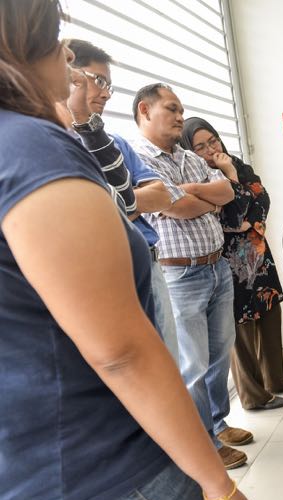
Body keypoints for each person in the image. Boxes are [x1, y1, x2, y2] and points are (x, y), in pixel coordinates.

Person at [0, 1, 255, 500]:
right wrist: (218, 484)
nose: (67, 53)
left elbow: (204, 193)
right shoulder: (32, 150)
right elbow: (120, 352)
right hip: (98, 468)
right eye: (56, 37)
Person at [131, 83, 252, 469]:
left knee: (219, 354)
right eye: (172, 109)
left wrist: (190, 193)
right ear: (144, 111)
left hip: (217, 265)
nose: (181, 116)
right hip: (179, 274)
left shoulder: (188, 157)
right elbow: (177, 208)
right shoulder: (137, 158)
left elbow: (227, 194)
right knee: (193, 363)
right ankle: (204, 443)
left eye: (182, 109)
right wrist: (197, 199)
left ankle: (218, 422)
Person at [63, 38, 180, 363]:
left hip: (147, 260)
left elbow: (160, 194)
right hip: (103, 271)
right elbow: (95, 207)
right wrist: (120, 199)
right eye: (97, 80)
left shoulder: (110, 142)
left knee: (168, 361)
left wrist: (115, 199)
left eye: (109, 85)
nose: (105, 92)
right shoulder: (53, 141)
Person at [181, 116, 283, 410]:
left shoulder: (236, 163)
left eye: (213, 141)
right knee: (241, 325)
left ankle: (275, 380)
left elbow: (263, 199)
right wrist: (231, 179)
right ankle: (253, 395)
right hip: (228, 258)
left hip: (256, 251)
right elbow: (230, 218)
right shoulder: (200, 174)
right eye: (200, 146)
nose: (210, 149)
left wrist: (248, 217)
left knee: (270, 310)